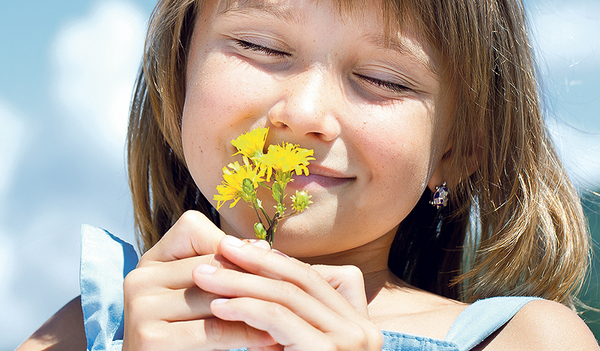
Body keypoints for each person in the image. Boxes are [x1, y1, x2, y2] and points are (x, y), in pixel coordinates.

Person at [17, 0, 600, 350]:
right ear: (177, 79)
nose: (302, 115)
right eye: (258, 44)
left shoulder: (524, 341)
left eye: (384, 79)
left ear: (459, 147)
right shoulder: (92, 328)